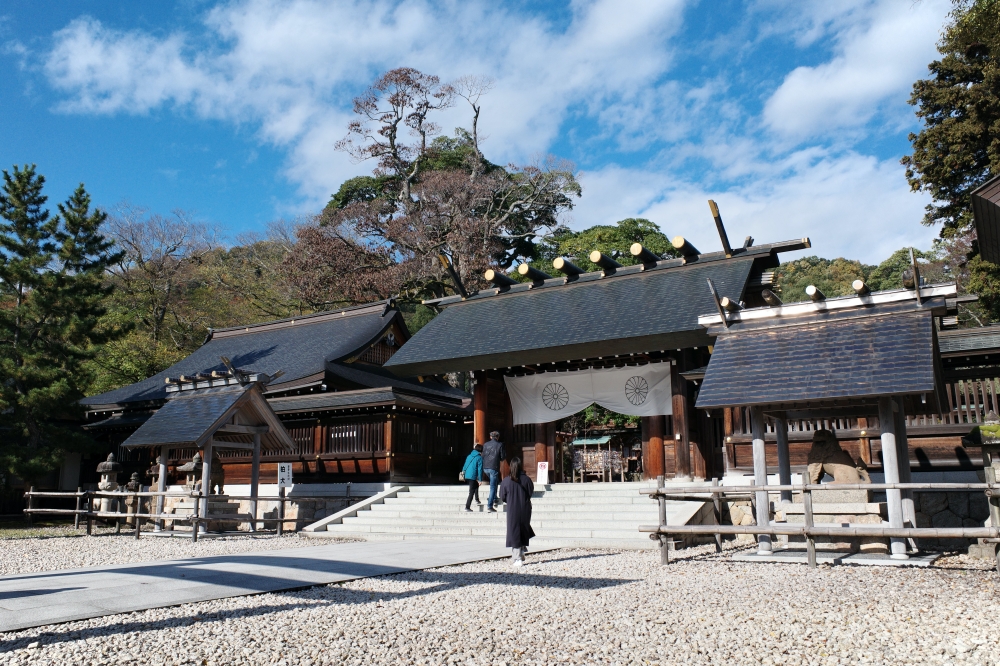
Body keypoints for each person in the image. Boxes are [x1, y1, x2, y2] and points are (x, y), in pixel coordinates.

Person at [499, 456, 535, 566]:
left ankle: (517, 557)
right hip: (525, 508)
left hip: (512, 508)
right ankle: (522, 550)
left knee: (514, 530)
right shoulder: (527, 479)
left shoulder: (506, 481)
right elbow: (530, 492)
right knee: (523, 528)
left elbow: (502, 496)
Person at [481, 430, 505, 513]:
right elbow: (502, 457)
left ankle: (494, 498)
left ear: (490, 437)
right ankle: (490, 505)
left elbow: (483, 455)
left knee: (494, 482)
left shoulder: (486, 444)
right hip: (494, 466)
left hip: (485, 467)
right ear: (498, 437)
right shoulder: (500, 444)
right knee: (492, 486)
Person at [462, 443, 484, 512]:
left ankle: (477, 499)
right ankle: (467, 506)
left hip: (467, 475)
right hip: (473, 476)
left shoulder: (469, 456)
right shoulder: (479, 458)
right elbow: (480, 469)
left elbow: (465, 465)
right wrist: (480, 479)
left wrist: (463, 472)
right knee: (471, 492)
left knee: (476, 485)